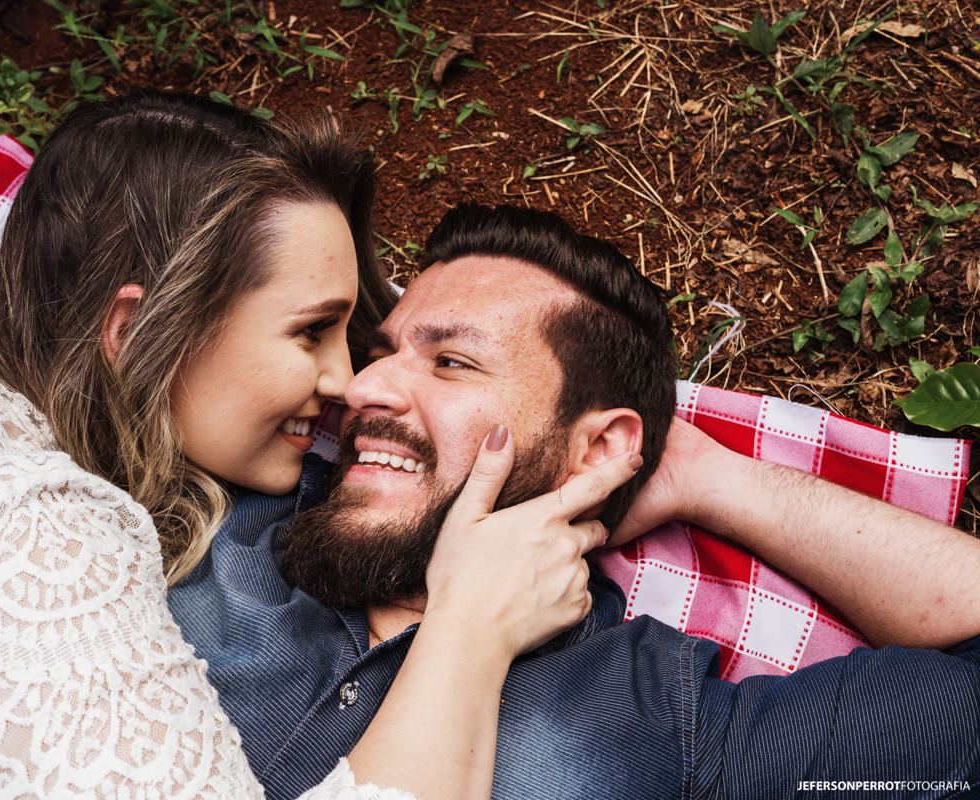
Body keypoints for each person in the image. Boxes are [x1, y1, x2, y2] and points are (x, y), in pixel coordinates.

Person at [0, 95, 634, 799]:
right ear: (136, 328)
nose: (348, 383)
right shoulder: (17, 545)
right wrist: (470, 630)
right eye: (311, 332)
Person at [168, 203, 980, 799]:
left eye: (451, 363)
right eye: (379, 353)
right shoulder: (210, 512)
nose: (362, 387)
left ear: (598, 448)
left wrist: (714, 478)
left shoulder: (657, 718)